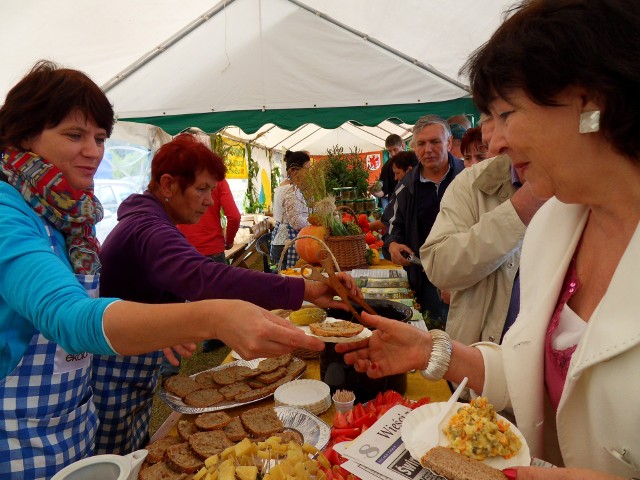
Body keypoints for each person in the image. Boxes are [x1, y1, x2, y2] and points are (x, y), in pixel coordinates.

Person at [338, 0, 640, 477]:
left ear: (590, 100)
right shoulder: (557, 224)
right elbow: (531, 374)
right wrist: (432, 349)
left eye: (505, 113)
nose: (492, 142)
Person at [0, 62, 329, 479]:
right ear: (24, 135)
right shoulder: (9, 213)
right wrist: (212, 316)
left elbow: (95, 297)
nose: (94, 151)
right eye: (74, 135)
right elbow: (66, 315)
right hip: (19, 442)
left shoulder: (67, 218)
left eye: (100, 137)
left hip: (71, 423)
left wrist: (165, 328)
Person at [96, 135, 355, 455]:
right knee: (114, 458)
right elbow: (208, 277)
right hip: (110, 372)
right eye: (202, 189)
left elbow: (154, 285)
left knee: (131, 446)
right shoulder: (148, 229)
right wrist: (304, 289)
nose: (209, 200)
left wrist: (165, 319)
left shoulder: (149, 222)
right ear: (167, 184)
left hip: (130, 363)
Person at [421, 149, 545, 345]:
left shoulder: (589, 183)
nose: (495, 145)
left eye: (506, 117)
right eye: (490, 118)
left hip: (546, 366)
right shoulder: (471, 181)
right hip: (475, 356)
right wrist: (519, 210)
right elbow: (439, 265)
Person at [385, 115, 464, 324]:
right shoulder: (406, 185)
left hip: (468, 277)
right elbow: (393, 224)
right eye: (421, 143)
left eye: (435, 142)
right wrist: (392, 244)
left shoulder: (467, 177)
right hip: (425, 278)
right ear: (414, 147)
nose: (428, 149)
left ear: (448, 143)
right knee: (436, 336)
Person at [178, 134, 241, 354]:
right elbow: (233, 215)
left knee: (178, 301)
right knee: (216, 297)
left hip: (181, 249)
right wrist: (229, 240)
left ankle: (179, 346)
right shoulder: (216, 179)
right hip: (212, 247)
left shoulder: (173, 180)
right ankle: (212, 338)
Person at [270, 150, 310, 269]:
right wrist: (314, 222)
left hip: (281, 240)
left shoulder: (283, 186)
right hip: (287, 242)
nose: (308, 174)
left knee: (286, 279)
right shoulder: (290, 190)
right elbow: (296, 222)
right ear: (293, 170)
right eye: (306, 170)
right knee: (290, 279)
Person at [373, 134, 405, 209]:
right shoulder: (386, 167)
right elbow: (383, 192)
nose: (392, 154)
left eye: (395, 149)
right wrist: (374, 192)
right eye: (390, 151)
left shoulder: (414, 161)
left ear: (402, 145)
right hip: (395, 206)